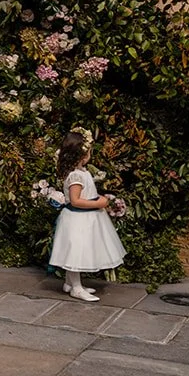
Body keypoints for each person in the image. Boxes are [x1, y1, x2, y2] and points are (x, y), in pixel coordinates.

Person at [48, 128, 125, 301]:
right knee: (76, 251)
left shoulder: (82, 172)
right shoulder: (75, 176)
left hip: (88, 218)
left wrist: (100, 198)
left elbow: (87, 194)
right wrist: (98, 203)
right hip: (78, 219)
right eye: (89, 151)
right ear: (81, 155)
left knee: (80, 250)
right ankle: (76, 287)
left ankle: (69, 282)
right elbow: (75, 200)